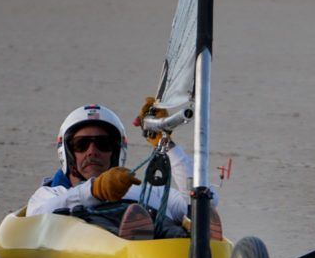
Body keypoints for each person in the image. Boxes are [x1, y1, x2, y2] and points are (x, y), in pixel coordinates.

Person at [25, 102, 219, 239]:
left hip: (158, 240)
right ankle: (141, 236)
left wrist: (167, 146)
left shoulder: (148, 191)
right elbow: (34, 220)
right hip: (100, 240)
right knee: (92, 221)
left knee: (169, 226)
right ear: (67, 152)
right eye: (81, 144)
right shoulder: (52, 193)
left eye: (103, 144)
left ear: (116, 150)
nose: (92, 152)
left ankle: (199, 242)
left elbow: (205, 201)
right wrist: (95, 190)